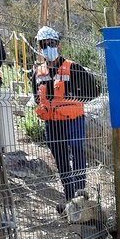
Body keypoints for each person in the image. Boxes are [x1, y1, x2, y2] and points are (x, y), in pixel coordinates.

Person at [32, 26, 100, 210]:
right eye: (44, 45)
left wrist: (74, 96)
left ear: (59, 45)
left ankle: (80, 192)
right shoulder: (38, 73)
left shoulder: (73, 67)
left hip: (73, 119)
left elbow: (94, 91)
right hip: (52, 123)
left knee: (77, 150)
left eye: (51, 44)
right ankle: (70, 198)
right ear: (40, 48)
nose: (48, 48)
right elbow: (37, 97)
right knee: (61, 158)